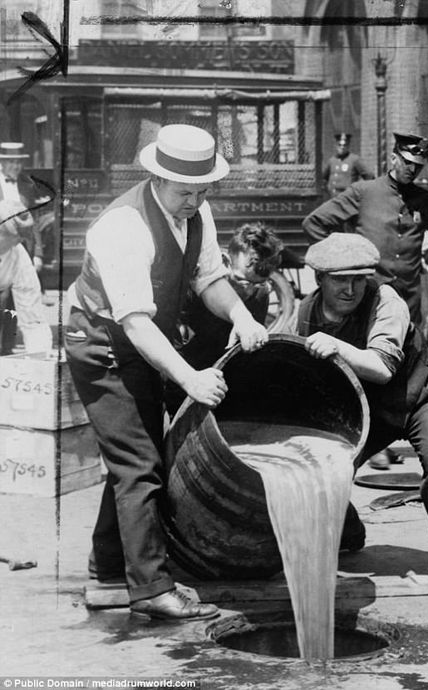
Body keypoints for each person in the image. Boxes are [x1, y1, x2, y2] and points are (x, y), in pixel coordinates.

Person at [64, 124, 269, 622]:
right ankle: (151, 588)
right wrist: (189, 379)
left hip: (137, 337)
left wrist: (241, 315)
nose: (194, 202)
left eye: (203, 191)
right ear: (156, 177)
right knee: (138, 462)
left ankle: (109, 576)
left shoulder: (195, 212)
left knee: (140, 456)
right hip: (100, 340)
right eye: (185, 192)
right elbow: (135, 323)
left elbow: (209, 278)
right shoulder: (122, 227)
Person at [290, 232, 428, 610]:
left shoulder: (386, 301)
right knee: (325, 462)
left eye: (359, 279)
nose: (351, 289)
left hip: (422, 394)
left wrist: (339, 346)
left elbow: (380, 367)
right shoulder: (307, 312)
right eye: (340, 280)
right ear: (319, 280)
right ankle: (348, 530)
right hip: (372, 407)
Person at [303, 132, 428, 331]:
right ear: (393, 159)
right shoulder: (363, 192)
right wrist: (338, 264)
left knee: (408, 353)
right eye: (407, 162)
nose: (413, 170)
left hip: (407, 299)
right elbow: (314, 223)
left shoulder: (425, 200)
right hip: (366, 297)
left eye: (418, 165)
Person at [164, 221, 286, 416]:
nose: (248, 291)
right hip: (184, 377)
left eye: (258, 284)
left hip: (223, 381)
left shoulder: (260, 295)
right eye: (241, 281)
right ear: (226, 263)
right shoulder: (195, 290)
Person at [0, 199, 52, 355]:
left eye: (18, 240)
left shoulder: (17, 255)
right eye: (10, 238)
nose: (16, 243)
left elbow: (31, 314)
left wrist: (39, 357)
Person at [0, 142, 53, 273]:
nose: (16, 167)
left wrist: (38, 254)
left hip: (24, 250)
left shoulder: (27, 186)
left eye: (18, 162)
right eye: (11, 162)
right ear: (2, 163)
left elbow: (34, 221)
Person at [322, 132, 374, 198]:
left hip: (348, 198)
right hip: (333, 197)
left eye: (344, 145)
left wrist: (362, 191)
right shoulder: (332, 161)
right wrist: (327, 192)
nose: (342, 147)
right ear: (336, 146)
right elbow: (323, 178)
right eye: (340, 145)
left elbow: (369, 175)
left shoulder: (354, 159)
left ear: (348, 146)